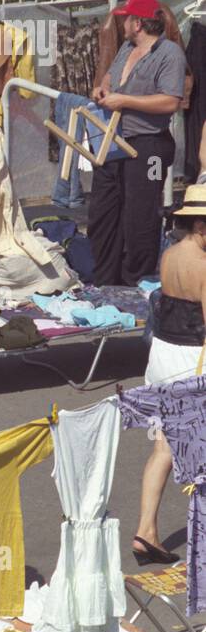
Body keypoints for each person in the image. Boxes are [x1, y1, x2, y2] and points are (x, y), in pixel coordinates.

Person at [89, 0, 187, 287]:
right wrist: (102, 90)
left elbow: (170, 102)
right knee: (103, 214)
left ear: (139, 23)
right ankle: (106, 279)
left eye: (127, 19)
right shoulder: (126, 48)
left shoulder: (169, 54)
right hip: (115, 140)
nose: (123, 24)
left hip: (151, 146)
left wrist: (125, 101)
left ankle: (137, 282)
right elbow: (109, 78)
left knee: (141, 215)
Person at [131, 186, 206, 565]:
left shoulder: (171, 255)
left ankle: (146, 530)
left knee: (163, 446)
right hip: (193, 359)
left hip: (162, 353)